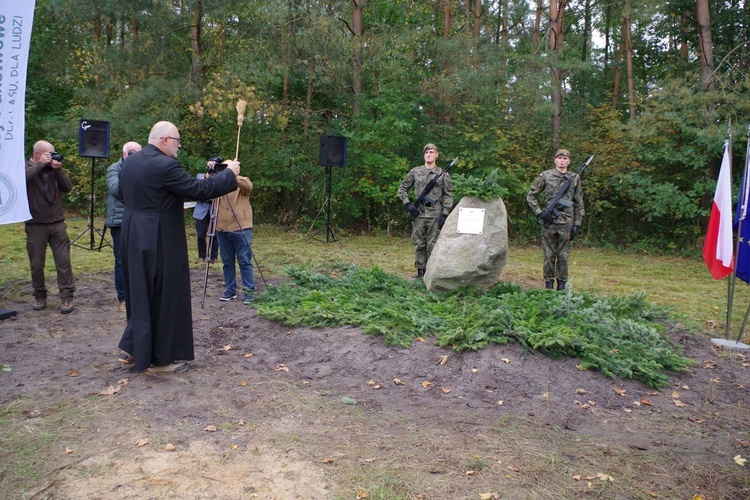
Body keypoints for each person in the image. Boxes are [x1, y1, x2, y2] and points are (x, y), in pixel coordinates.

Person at [117, 121, 240, 373]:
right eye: (177, 140)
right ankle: (160, 360)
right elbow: (197, 189)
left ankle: (134, 347)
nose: (179, 145)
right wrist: (229, 174)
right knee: (165, 293)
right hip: (158, 236)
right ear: (164, 140)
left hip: (133, 233)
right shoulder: (164, 165)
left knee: (141, 291)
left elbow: (121, 193)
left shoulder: (130, 163)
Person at [24, 140, 75, 314]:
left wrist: (58, 170)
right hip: (35, 224)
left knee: (63, 261)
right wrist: (40, 165)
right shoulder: (25, 166)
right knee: (37, 264)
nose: (52, 157)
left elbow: (67, 188)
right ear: (37, 154)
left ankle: (67, 297)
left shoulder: (53, 169)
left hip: (57, 223)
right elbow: (22, 180)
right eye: (49, 154)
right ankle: (39, 295)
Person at [526, 148, 585, 291]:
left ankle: (562, 285)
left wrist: (577, 223)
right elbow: (531, 196)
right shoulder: (545, 176)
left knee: (563, 256)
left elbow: (579, 201)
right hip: (549, 222)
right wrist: (540, 213)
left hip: (567, 223)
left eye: (565, 159)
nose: (562, 161)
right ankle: (549, 285)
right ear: (555, 160)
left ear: (569, 161)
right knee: (549, 255)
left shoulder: (574, 178)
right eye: (560, 158)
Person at [397, 143, 453, 278]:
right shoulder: (415, 172)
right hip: (419, 215)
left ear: (436, 155)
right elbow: (402, 189)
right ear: (424, 155)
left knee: (433, 245)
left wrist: (445, 214)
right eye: (427, 152)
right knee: (419, 244)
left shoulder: (442, 174)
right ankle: (420, 272)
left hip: (435, 214)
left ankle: (431, 272)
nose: (429, 154)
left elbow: (448, 194)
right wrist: (408, 205)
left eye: (432, 152)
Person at [106, 141, 142, 313]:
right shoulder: (115, 169)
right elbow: (115, 190)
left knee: (141, 259)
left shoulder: (145, 169)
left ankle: (140, 295)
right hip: (120, 222)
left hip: (140, 220)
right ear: (123, 155)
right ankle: (123, 298)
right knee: (122, 261)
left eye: (138, 154)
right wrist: (128, 171)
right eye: (131, 153)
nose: (135, 157)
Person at [214, 168, 255, 304]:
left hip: (241, 227)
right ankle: (230, 290)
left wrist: (233, 176)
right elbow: (203, 191)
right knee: (227, 262)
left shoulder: (242, 181)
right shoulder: (217, 182)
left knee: (244, 261)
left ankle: (249, 292)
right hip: (221, 227)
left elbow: (248, 188)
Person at [192, 155, 220, 264]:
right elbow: (196, 189)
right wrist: (207, 176)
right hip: (201, 208)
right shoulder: (200, 176)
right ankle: (201, 257)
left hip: (214, 207)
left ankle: (214, 257)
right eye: (209, 164)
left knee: (215, 234)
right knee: (201, 234)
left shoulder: (219, 177)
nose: (211, 167)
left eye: (213, 165)